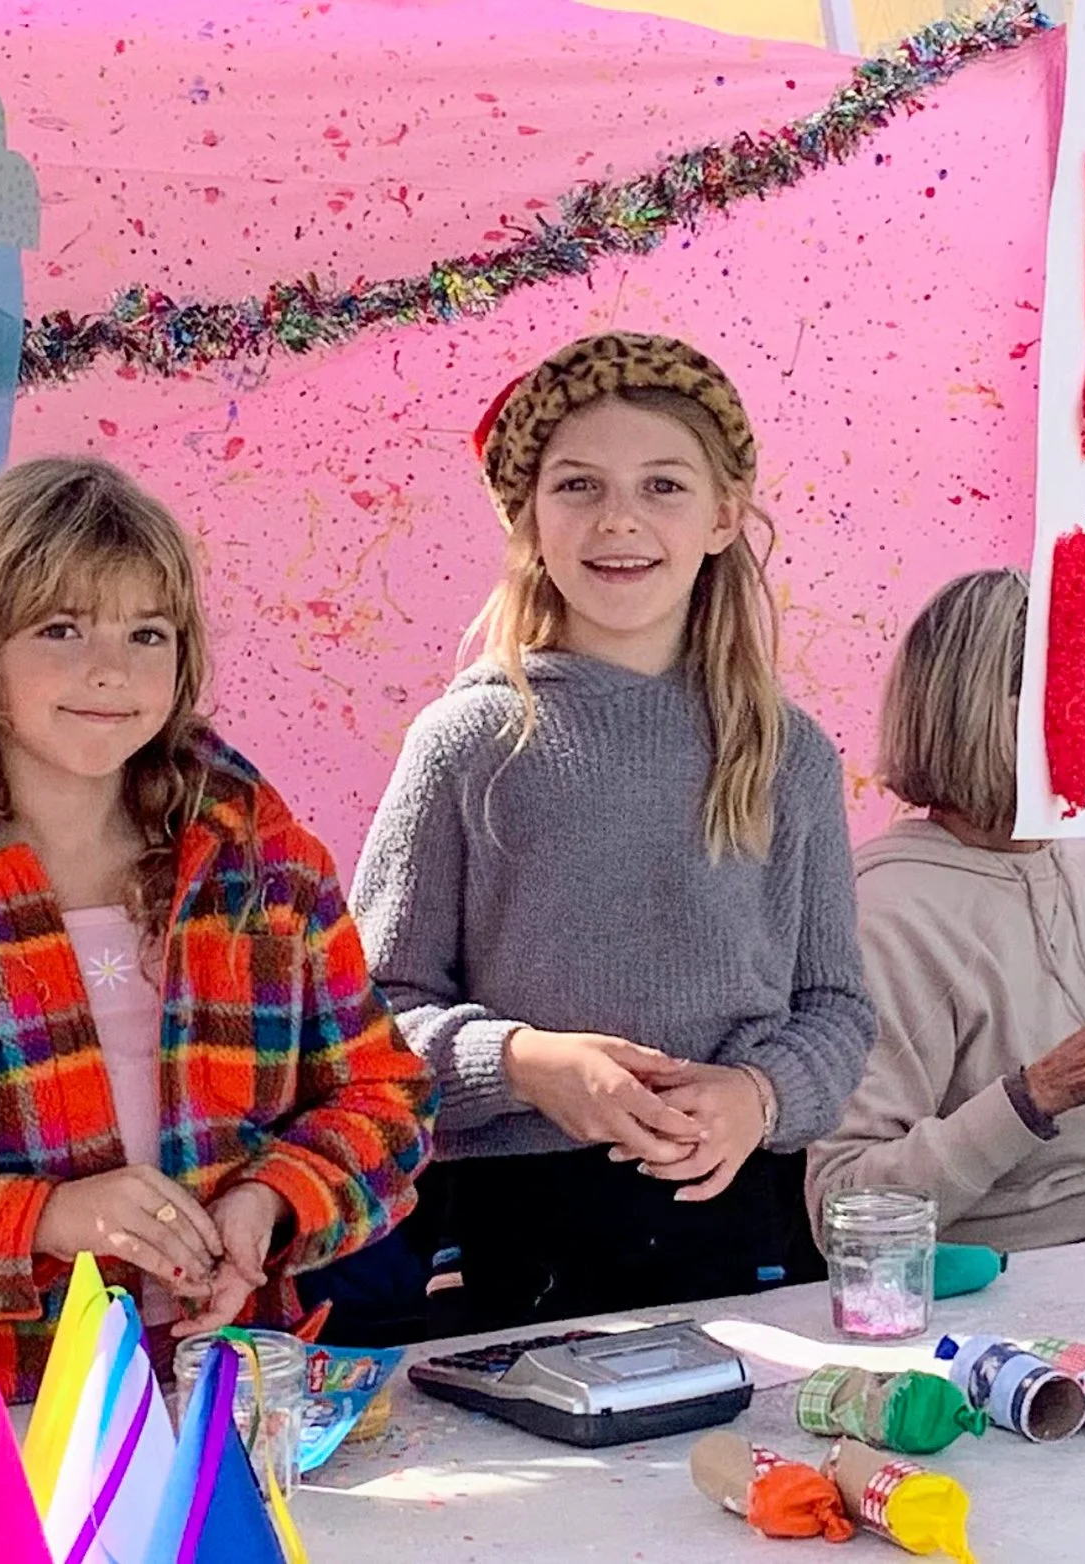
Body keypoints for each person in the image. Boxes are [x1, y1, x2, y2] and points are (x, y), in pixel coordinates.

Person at [0, 457, 434, 1400]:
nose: (111, 669)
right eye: (61, 628)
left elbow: (389, 1099)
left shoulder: (268, 872)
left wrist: (271, 1201)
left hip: (229, 1397)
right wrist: (48, 1220)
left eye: (149, 633)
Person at [350, 332, 875, 1333]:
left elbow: (835, 1007)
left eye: (663, 486)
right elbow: (371, 1019)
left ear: (723, 515)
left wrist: (758, 1096)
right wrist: (522, 1062)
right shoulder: (467, 742)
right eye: (578, 486)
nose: (619, 519)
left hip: (739, 1224)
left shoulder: (785, 751)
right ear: (529, 517)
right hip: (509, 1238)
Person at [806, 569, 1085, 1251]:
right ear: (984, 710)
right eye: (1084, 694)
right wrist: (1034, 1095)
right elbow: (841, 1211)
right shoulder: (883, 915)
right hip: (1017, 1281)